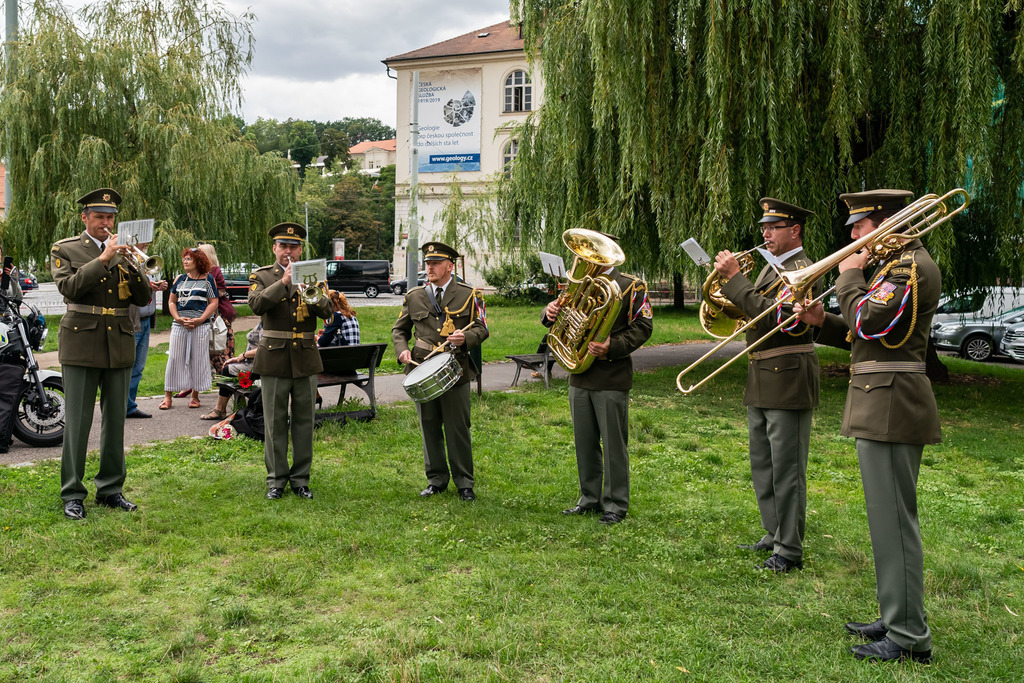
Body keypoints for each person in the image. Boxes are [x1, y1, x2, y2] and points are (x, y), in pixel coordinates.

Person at [794, 189, 937, 664]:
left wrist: (849, 275)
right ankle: (895, 612)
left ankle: (908, 636)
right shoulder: (890, 268)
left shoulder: (909, 267)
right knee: (886, 522)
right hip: (881, 402)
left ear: (887, 222)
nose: (852, 235)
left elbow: (875, 323)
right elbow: (864, 334)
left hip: (893, 404)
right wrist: (822, 321)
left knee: (894, 523)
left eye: (860, 226)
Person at [714, 198, 820, 572]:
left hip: (788, 374)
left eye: (773, 227)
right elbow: (752, 306)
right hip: (762, 372)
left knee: (787, 469)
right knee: (763, 463)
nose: (765, 233)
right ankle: (773, 533)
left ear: (795, 231)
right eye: (764, 227)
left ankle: (789, 550)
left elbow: (773, 314)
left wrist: (734, 280)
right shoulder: (770, 267)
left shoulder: (803, 268)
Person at [50, 188, 151, 520]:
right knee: (78, 422)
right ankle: (72, 493)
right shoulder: (65, 249)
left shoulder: (125, 251)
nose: (106, 223)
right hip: (81, 340)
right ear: (85, 218)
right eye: (99, 217)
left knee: (115, 423)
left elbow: (141, 298)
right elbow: (70, 287)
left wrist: (137, 265)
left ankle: (110, 489)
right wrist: (104, 258)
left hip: (119, 339)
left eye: (110, 218)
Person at [543, 239, 653, 525]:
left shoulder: (632, 286)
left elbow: (643, 326)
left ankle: (615, 504)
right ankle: (589, 498)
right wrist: (549, 313)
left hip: (611, 374)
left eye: (596, 253)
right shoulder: (578, 282)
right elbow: (562, 316)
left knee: (614, 445)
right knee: (585, 441)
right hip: (579, 373)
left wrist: (612, 346)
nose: (590, 258)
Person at [392, 241, 489, 501]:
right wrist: (402, 350)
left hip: (455, 369)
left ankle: (464, 483)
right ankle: (436, 480)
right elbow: (399, 330)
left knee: (458, 428)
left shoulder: (470, 294)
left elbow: (482, 328)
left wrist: (465, 339)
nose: (430, 267)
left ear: (450, 265)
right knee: (429, 426)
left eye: (435, 263)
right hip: (423, 369)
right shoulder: (414, 295)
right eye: (427, 263)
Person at [248, 222, 333, 500]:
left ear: (300, 250)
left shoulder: (313, 274)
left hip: (306, 356)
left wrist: (312, 289)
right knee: (274, 421)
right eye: (283, 246)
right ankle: (276, 480)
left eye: (294, 247)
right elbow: (256, 305)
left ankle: (300, 479)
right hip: (274, 355)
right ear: (274, 248)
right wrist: (283, 283)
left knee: (304, 421)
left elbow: (327, 312)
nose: (289, 252)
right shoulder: (262, 275)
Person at [159, 248, 218, 410]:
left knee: (198, 359)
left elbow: (213, 302)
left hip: (200, 326)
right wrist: (177, 317)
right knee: (174, 358)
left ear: (198, 261)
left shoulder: (208, 280)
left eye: (188, 259)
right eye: (184, 258)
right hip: (179, 325)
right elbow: (172, 301)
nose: (184, 261)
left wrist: (200, 319)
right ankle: (167, 397)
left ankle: (195, 396)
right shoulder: (179, 279)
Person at [126, 242, 168, 419]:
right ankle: (122, 406)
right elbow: (128, 288)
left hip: (145, 321)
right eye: (142, 242)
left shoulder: (145, 264)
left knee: (138, 368)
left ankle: (129, 406)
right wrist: (148, 286)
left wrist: (156, 285)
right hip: (132, 321)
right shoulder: (127, 263)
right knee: (128, 366)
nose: (146, 245)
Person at [201, 322, 263, 421]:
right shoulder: (264, 320)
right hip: (250, 362)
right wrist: (239, 358)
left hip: (258, 366)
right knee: (228, 366)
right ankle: (221, 409)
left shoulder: (268, 324)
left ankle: (220, 409)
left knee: (227, 370)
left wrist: (243, 355)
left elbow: (263, 349)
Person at [198, 243, 238, 373]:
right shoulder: (197, 270)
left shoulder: (215, 270)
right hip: (203, 311)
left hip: (217, 314)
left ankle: (226, 372)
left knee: (218, 343)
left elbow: (220, 291)